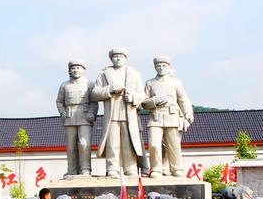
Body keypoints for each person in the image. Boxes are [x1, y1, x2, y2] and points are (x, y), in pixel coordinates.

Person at [91, 47, 146, 178]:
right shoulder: (104, 74)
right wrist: (110, 89)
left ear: (125, 58)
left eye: (121, 56)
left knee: (129, 141)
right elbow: (94, 93)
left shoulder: (134, 73)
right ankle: (112, 167)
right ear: (111, 59)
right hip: (112, 113)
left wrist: (133, 97)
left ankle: (130, 167)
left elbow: (142, 94)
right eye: (115, 56)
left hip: (129, 113)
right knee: (112, 142)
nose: (118, 58)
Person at [142, 56, 194, 178]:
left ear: (168, 67)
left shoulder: (175, 83)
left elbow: (183, 100)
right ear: (155, 67)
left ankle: (176, 168)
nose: (161, 68)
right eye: (158, 66)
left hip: (172, 116)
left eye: (164, 66)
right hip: (155, 117)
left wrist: (188, 113)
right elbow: (143, 103)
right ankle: (156, 168)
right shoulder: (150, 83)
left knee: (174, 144)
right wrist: (155, 101)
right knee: (154, 144)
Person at [56, 59, 98, 178]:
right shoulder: (65, 85)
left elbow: (94, 102)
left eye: (78, 68)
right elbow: (59, 101)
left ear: (83, 70)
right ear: (69, 71)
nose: (75, 70)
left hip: (85, 116)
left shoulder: (89, 84)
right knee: (70, 145)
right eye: (73, 68)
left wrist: (92, 113)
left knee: (84, 144)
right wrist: (62, 112)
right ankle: (72, 169)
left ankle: (85, 168)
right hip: (69, 116)